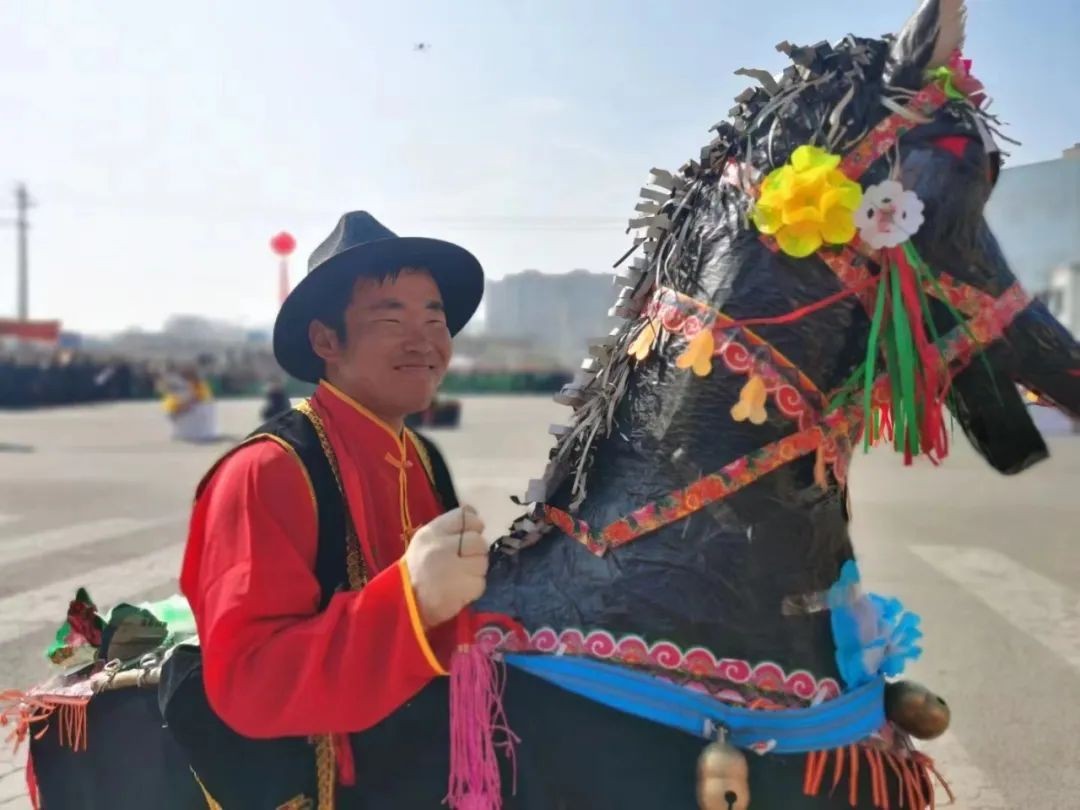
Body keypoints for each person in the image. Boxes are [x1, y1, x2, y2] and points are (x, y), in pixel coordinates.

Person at [160, 211, 489, 808]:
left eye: (434, 320)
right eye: (391, 319)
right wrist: (410, 601)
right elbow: (248, 683)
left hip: (424, 765)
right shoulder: (267, 471)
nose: (423, 341)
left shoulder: (421, 455)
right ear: (326, 341)